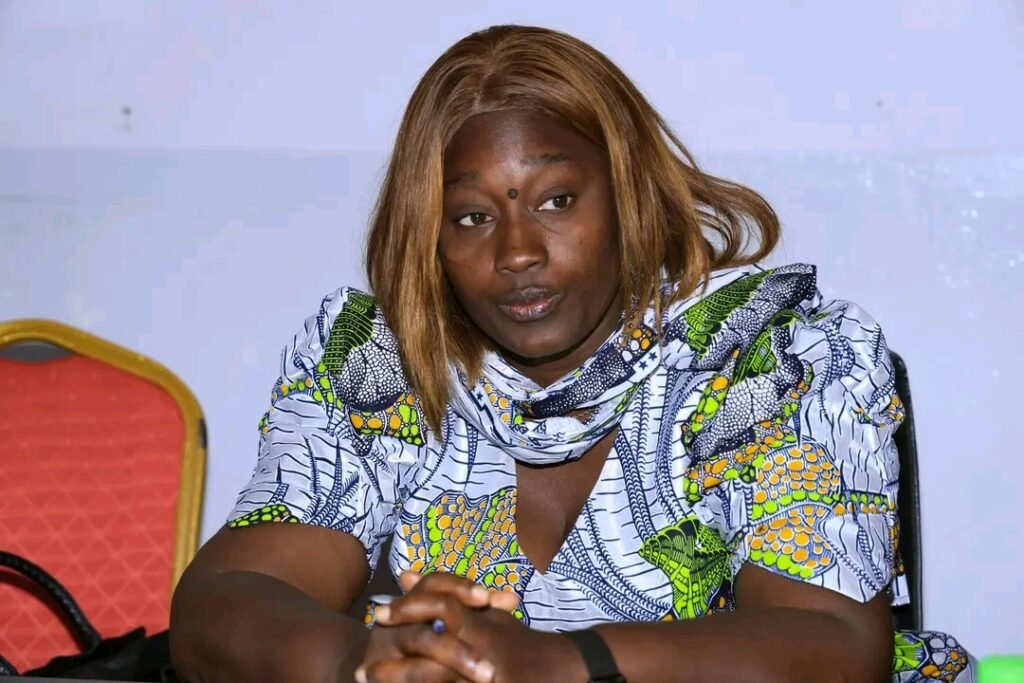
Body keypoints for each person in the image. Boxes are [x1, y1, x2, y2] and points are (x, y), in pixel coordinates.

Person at [169, 25, 975, 683]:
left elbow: (835, 645)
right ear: (430, 236)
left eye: (557, 200)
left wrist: (561, 663)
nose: (518, 250)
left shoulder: (768, 358)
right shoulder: (380, 365)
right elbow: (223, 600)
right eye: (473, 216)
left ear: (628, 195)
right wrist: (367, 661)